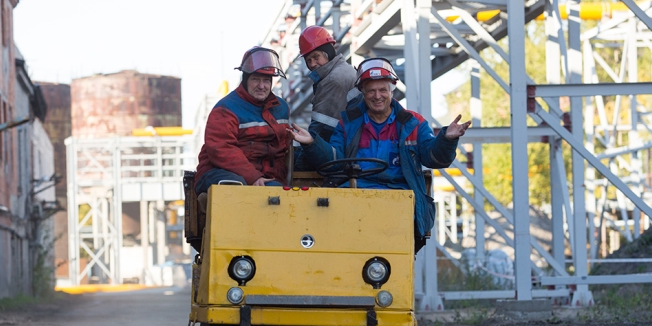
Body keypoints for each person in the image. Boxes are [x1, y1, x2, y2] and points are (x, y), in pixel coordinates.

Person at [290, 57, 471, 243]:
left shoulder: (412, 123)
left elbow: (434, 158)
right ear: (362, 92)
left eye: (383, 90)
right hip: (356, 198)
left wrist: (447, 139)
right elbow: (335, 159)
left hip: (399, 200)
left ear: (391, 90)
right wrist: (312, 143)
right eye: (371, 91)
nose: (377, 96)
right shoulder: (349, 123)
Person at [195, 47, 292, 194]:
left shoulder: (281, 108)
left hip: (263, 177)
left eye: (266, 80)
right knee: (234, 186)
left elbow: (282, 150)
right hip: (218, 172)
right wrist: (253, 177)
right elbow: (221, 149)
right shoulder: (225, 110)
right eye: (255, 79)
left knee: (280, 194)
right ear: (245, 80)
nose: (261, 86)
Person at [298, 26, 359, 142]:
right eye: (308, 60)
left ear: (329, 52)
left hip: (346, 145)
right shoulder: (344, 69)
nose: (312, 64)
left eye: (316, 57)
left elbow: (319, 130)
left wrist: (304, 154)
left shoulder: (332, 80)